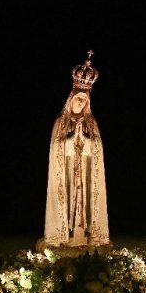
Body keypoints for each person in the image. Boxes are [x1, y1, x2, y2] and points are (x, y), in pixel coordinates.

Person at [43, 50, 109, 248]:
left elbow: (97, 147)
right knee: (69, 202)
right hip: (67, 172)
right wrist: (72, 139)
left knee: (83, 203)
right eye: (77, 99)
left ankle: (85, 234)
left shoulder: (91, 122)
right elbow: (56, 147)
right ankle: (64, 235)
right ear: (71, 99)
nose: (80, 102)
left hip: (85, 172)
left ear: (87, 103)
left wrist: (87, 141)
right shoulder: (61, 122)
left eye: (84, 100)